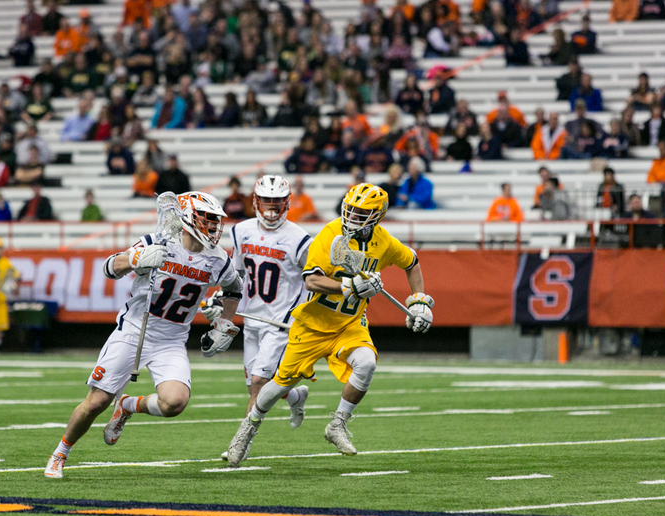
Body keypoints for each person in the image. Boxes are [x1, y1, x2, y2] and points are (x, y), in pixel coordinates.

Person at [224, 183, 432, 465]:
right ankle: (248, 427)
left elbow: (412, 261)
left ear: (377, 216)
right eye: (351, 210)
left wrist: (418, 298)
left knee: (366, 363)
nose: (352, 217)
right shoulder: (330, 233)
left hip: (349, 324)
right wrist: (349, 286)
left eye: (361, 213)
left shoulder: (384, 241)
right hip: (313, 323)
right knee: (279, 385)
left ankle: (338, 424)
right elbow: (311, 280)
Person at [45, 192, 244, 478]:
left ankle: (128, 405)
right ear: (189, 217)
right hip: (134, 330)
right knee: (97, 402)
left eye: (216, 221)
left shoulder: (218, 259)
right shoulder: (157, 241)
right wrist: (135, 259)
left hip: (172, 340)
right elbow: (109, 267)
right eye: (208, 219)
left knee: (175, 402)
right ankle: (60, 453)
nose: (214, 226)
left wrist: (223, 322)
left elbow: (234, 288)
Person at [203, 176, 313, 459]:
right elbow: (236, 275)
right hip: (252, 318)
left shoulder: (299, 239)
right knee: (258, 384)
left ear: (287, 203)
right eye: (266, 201)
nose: (271, 207)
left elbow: (313, 281)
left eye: (277, 201)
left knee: (257, 385)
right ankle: (295, 395)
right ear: (255, 201)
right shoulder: (242, 231)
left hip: (280, 322)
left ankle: (241, 445)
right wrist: (219, 299)